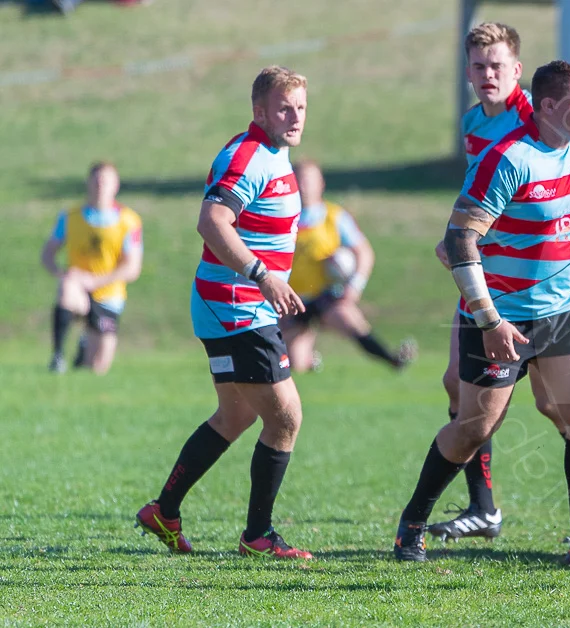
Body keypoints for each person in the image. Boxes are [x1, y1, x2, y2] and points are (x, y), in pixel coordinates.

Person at [394, 61, 570, 568]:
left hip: (567, 307)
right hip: (501, 316)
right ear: (546, 106)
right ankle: (412, 522)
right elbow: (459, 239)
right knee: (476, 426)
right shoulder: (509, 159)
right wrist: (489, 320)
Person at [135, 66, 313, 559]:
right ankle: (257, 536)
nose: (294, 117)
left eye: (300, 107)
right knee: (286, 419)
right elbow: (212, 221)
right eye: (284, 107)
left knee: (234, 415)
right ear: (259, 111)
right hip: (236, 305)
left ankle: (164, 511)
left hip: (233, 303)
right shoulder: (249, 155)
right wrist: (263, 275)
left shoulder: (274, 155)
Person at [429, 22, 533, 543]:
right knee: (456, 385)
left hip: (532, 280)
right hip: (482, 272)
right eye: (478, 66)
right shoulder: (473, 122)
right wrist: (455, 238)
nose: (487, 75)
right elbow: (478, 194)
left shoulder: (536, 118)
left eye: (496, 65)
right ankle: (483, 508)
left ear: (516, 68)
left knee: (563, 407)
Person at [282, 161, 414, 372]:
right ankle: (309, 358)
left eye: (308, 180)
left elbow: (364, 252)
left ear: (321, 184)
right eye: (298, 180)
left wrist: (354, 286)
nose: (303, 186)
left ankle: (392, 358)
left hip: (325, 294)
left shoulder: (334, 216)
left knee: (352, 325)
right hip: (292, 298)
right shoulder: (282, 217)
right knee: (295, 363)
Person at [41, 162, 142, 375]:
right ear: (88, 183)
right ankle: (58, 356)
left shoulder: (128, 221)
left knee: (97, 367)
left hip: (109, 295)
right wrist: (63, 273)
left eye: (106, 181)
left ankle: (86, 342)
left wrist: (96, 281)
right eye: (96, 180)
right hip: (79, 291)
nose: (100, 185)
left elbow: (132, 268)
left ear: (116, 185)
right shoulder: (70, 217)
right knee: (67, 286)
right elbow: (48, 253)